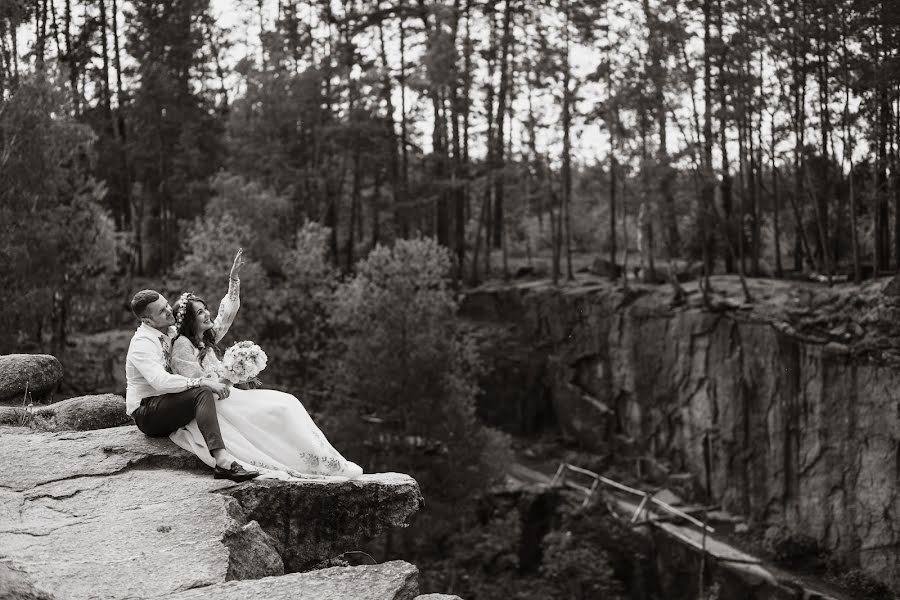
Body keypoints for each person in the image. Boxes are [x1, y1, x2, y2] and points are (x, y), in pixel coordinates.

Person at [166, 248, 363, 480]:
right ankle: (303, 464)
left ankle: (327, 462)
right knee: (279, 410)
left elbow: (226, 315)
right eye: (200, 312)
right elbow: (195, 385)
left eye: (205, 308)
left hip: (228, 396)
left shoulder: (204, 338)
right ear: (189, 320)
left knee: (289, 403)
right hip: (214, 405)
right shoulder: (181, 345)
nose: (207, 314)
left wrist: (234, 279)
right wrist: (229, 375)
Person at [125, 284, 260, 483]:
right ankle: (222, 462)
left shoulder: (170, 331)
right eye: (162, 311)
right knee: (202, 391)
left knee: (206, 391)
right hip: (148, 411)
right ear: (147, 320)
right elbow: (161, 382)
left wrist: (233, 283)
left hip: (170, 400)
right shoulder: (141, 344)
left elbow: (215, 326)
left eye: (167, 305)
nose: (169, 310)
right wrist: (204, 381)